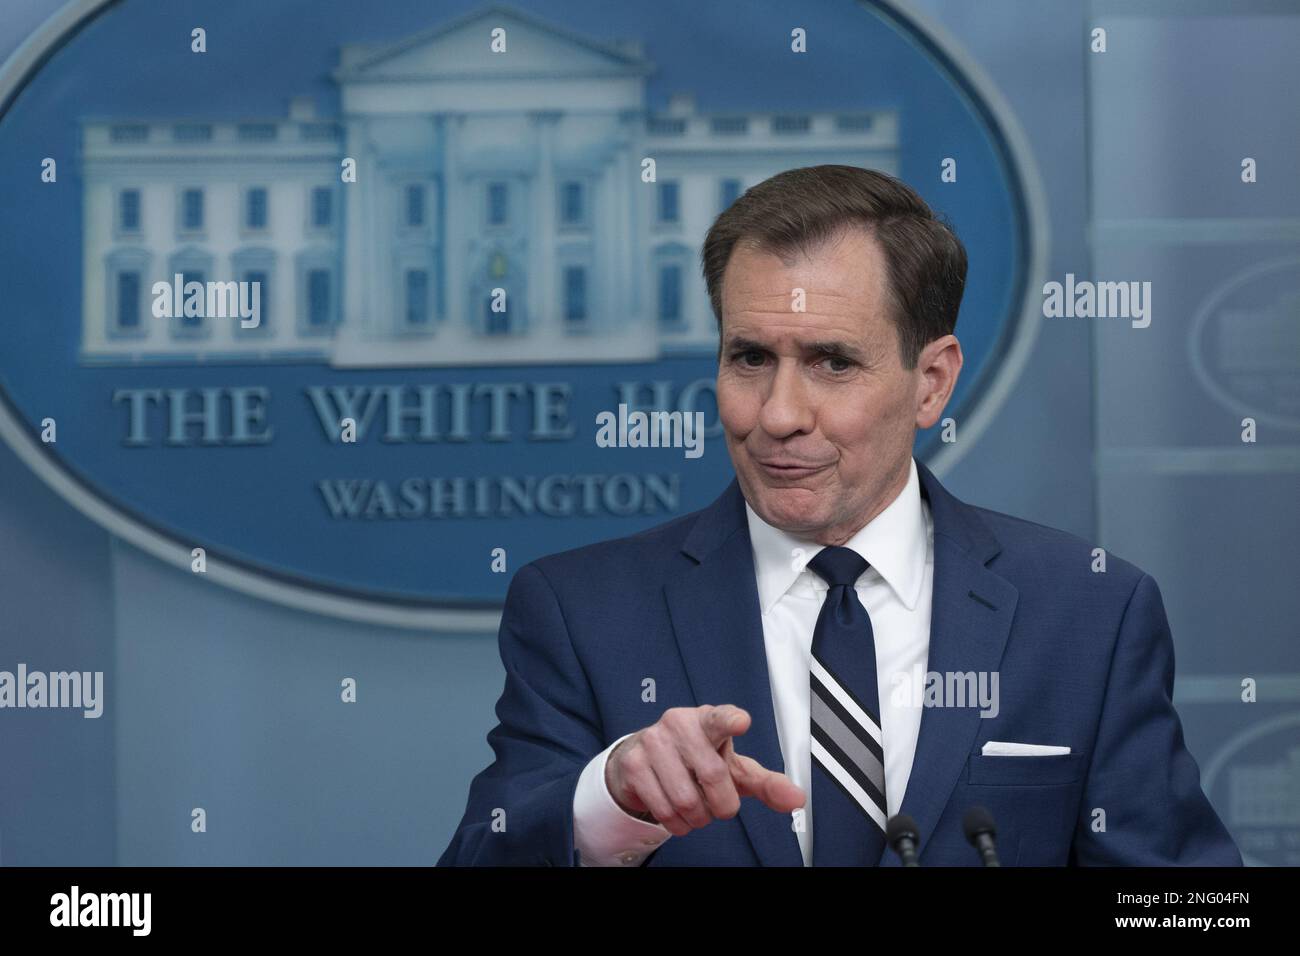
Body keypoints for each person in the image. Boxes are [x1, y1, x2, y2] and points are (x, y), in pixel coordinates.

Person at [438, 165, 1242, 867]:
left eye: (832, 363)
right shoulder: (583, 612)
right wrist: (613, 801)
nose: (779, 413)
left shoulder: (1089, 614)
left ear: (931, 381)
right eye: (750, 358)